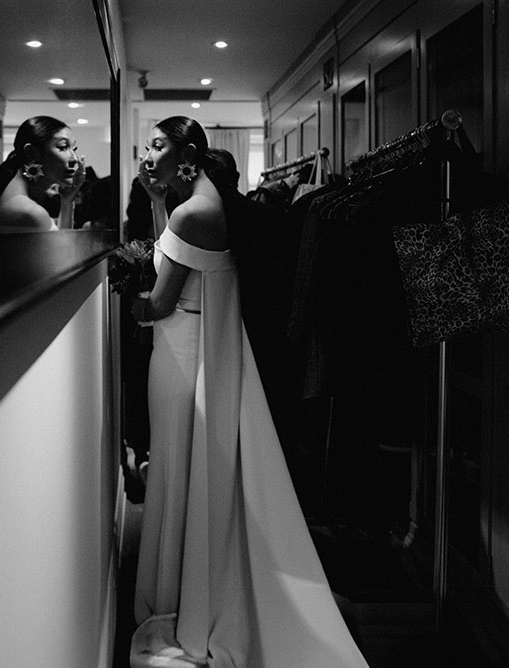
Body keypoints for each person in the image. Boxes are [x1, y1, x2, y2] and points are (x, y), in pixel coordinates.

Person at [129, 116, 369, 668]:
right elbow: (174, 252)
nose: (148, 153)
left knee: (176, 468)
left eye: (157, 145)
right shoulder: (206, 204)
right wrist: (155, 200)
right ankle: (181, 585)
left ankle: (175, 593)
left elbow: (160, 301)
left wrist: (128, 300)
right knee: (185, 468)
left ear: (186, 152)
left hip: (182, 349)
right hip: (194, 347)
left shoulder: (196, 212)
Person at [0, 115, 85, 231]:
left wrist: (67, 201)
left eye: (74, 149)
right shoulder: (30, 213)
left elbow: (61, 242)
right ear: (31, 153)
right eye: (63, 147)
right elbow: (65, 248)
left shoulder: (16, 195)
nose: (74, 159)